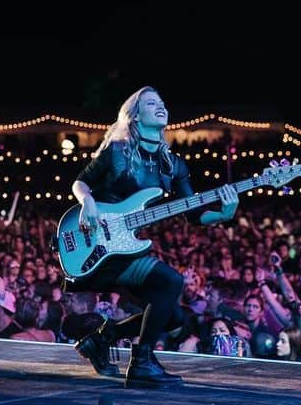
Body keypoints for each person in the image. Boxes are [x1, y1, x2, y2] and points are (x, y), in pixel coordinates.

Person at [67, 87, 239, 387]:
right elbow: (81, 183)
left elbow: (195, 214)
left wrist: (224, 214)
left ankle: (101, 339)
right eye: (151, 103)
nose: (160, 106)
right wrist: (88, 202)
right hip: (99, 247)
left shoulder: (172, 166)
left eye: (162, 102)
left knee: (172, 318)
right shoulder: (117, 152)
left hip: (129, 249)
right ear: (134, 116)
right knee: (171, 281)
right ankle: (142, 362)